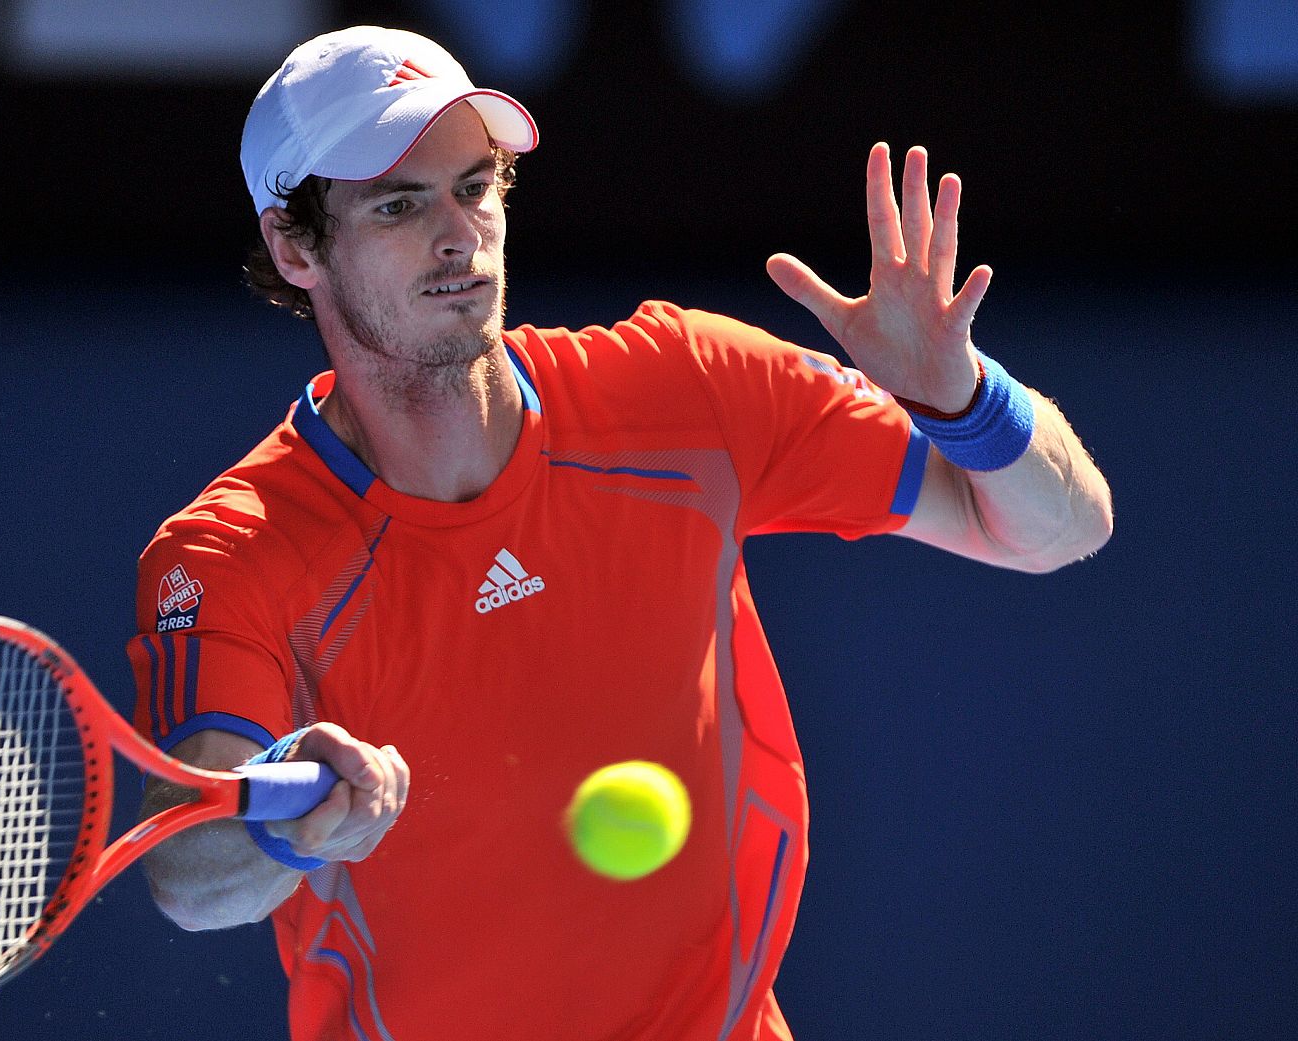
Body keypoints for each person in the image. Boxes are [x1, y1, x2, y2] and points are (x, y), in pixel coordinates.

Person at [125, 24, 1112, 1041]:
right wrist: (289, 819)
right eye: (399, 205)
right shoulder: (231, 553)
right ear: (296, 248)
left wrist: (963, 400)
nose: (459, 235)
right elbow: (190, 878)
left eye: (475, 187)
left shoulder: (686, 386)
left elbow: (1061, 528)